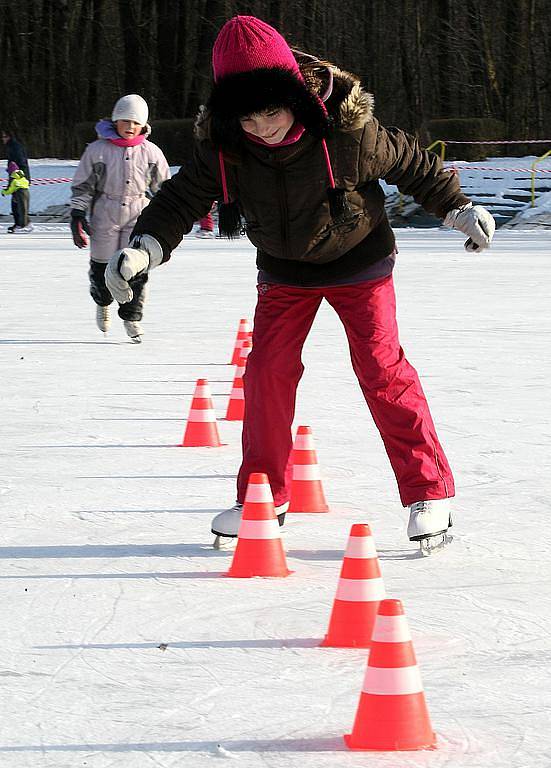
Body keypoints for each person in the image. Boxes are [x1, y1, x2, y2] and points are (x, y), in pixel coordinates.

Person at [104, 16, 495, 549]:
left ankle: (430, 490)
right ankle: (263, 497)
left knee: (381, 367)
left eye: (272, 110)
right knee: (266, 372)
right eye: (248, 116)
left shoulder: (347, 131)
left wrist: (457, 208)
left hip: (360, 259)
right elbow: (179, 199)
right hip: (285, 268)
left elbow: (410, 161)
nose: (262, 126)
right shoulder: (226, 149)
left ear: (297, 97)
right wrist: (144, 246)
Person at [70, 94, 170, 342]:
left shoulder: (151, 152)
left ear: (143, 125)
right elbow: (83, 186)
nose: (130, 127)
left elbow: (165, 188)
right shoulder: (97, 151)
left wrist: (168, 215)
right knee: (102, 268)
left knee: (134, 269)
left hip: (138, 214)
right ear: (115, 121)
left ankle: (132, 317)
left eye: (135, 123)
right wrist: (77, 213)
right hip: (105, 212)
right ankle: (103, 303)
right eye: (125, 121)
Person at [1, 161, 32, 232]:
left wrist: (3, 192)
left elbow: (11, 190)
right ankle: (24, 224)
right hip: (25, 192)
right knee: (22, 209)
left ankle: (23, 226)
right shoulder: (22, 177)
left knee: (20, 210)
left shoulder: (14, 179)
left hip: (19, 194)